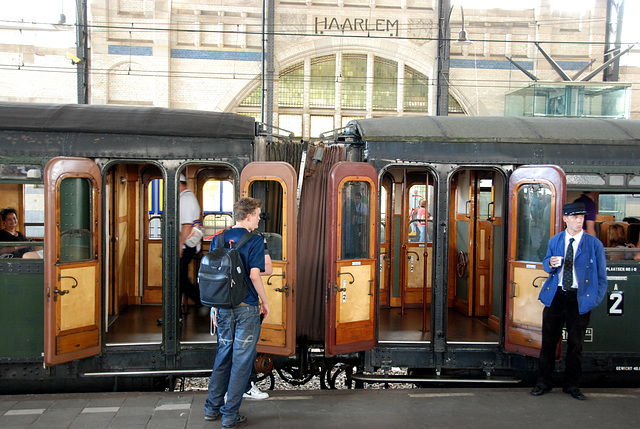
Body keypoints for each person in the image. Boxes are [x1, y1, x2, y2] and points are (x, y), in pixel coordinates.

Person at [531, 202, 607, 401]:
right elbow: (547, 263)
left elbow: (601, 278)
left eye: (581, 217)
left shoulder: (594, 244)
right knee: (548, 342)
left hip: (579, 299)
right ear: (565, 219)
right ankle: (543, 382)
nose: (579, 220)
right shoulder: (555, 240)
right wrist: (550, 263)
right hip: (556, 296)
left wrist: (593, 300)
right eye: (574, 217)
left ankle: (572, 385)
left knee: (575, 345)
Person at [205, 197, 270, 428]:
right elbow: (254, 275)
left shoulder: (218, 238)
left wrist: (214, 307)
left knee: (223, 355)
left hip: (222, 307)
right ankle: (230, 414)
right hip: (246, 307)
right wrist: (265, 301)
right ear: (249, 215)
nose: (260, 219)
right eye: (259, 214)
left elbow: (214, 277)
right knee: (242, 361)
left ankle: (212, 408)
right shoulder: (254, 240)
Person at [179, 173, 203, 313]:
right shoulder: (185, 197)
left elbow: (186, 225)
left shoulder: (186, 199)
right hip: (185, 245)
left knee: (180, 280)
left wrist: (179, 247)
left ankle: (201, 301)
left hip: (185, 246)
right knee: (179, 279)